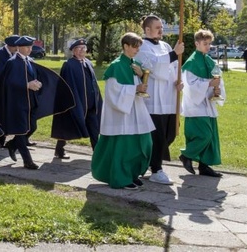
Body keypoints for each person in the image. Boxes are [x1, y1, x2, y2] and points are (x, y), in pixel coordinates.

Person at [0, 36, 74, 170]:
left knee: (32, 127)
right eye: (27, 47)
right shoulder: (12, 62)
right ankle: (27, 161)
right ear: (19, 48)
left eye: (31, 47)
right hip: (18, 102)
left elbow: (33, 76)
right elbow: (8, 83)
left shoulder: (29, 60)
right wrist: (26, 85)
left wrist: (37, 83)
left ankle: (12, 145)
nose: (30, 49)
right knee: (20, 131)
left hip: (31, 101)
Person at [91, 32, 155, 190]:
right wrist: (135, 88)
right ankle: (121, 178)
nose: (137, 50)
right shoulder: (116, 65)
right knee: (124, 147)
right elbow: (113, 92)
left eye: (138, 47)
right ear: (125, 46)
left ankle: (132, 174)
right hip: (122, 114)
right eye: (134, 46)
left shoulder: (134, 64)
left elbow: (141, 86)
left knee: (145, 143)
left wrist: (141, 77)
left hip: (136, 109)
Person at [134, 15, 183, 186]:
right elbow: (152, 66)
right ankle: (156, 169)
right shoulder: (142, 46)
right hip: (154, 98)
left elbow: (175, 66)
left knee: (170, 133)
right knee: (158, 135)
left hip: (169, 95)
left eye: (161, 27)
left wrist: (178, 80)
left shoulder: (166, 45)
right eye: (157, 27)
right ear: (147, 30)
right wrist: (173, 54)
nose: (161, 30)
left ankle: (150, 163)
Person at [179, 29, 226, 178]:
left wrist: (217, 89)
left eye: (209, 44)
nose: (208, 46)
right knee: (204, 135)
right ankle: (186, 155)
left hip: (208, 104)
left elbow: (217, 79)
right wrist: (209, 83)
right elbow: (191, 86)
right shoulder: (191, 63)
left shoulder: (209, 60)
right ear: (196, 43)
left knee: (211, 136)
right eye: (205, 43)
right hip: (196, 106)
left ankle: (204, 166)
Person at [53, 39, 102, 159]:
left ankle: (97, 154)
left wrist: (98, 100)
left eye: (83, 48)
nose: (81, 51)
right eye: (78, 49)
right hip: (76, 103)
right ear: (73, 51)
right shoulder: (69, 65)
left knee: (94, 128)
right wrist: (71, 102)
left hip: (91, 104)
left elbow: (93, 83)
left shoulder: (88, 63)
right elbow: (65, 86)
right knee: (69, 126)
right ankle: (59, 149)